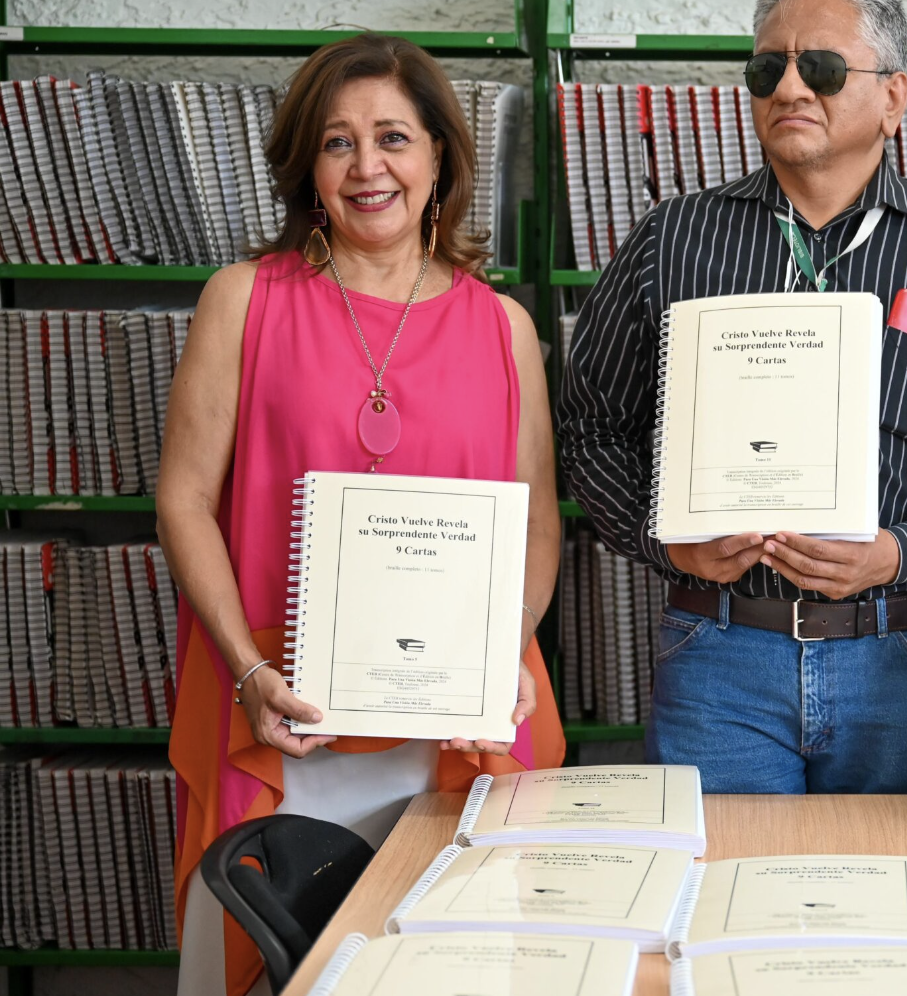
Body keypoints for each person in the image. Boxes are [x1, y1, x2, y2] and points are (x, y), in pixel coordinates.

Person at [158, 34, 564, 996]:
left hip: (460, 734)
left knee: (459, 972)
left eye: (393, 137)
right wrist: (250, 673)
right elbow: (182, 499)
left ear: (439, 159)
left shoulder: (502, 325)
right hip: (286, 716)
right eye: (338, 143)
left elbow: (537, 524)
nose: (368, 166)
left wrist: (504, 648)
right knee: (277, 969)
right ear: (308, 166)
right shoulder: (243, 301)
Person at [558, 0, 907, 794]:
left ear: (894, 98)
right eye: (766, 68)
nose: (788, 86)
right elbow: (592, 432)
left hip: (896, 652)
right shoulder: (671, 239)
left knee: (880, 904)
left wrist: (901, 552)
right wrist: (665, 543)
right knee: (721, 901)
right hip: (719, 650)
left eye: (819, 67)